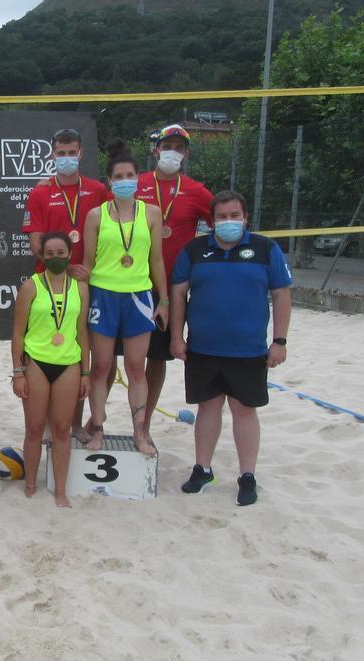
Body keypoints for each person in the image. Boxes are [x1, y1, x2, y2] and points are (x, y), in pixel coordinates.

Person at [170, 190, 291, 507]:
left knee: (243, 410)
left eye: (234, 215)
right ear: (211, 221)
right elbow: (178, 294)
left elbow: (281, 294)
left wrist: (279, 340)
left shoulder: (265, 248)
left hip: (249, 349)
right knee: (208, 408)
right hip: (203, 347)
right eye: (221, 217)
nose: (228, 222)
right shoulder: (195, 250)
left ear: (245, 217)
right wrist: (176, 336)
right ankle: (202, 469)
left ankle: (247, 475)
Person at [21, 127, 111, 441]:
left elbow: (110, 234)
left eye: (72, 153)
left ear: (81, 153)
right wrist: (66, 267)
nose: (67, 158)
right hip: (52, 280)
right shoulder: (40, 192)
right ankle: (47, 423)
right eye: (61, 153)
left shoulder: (98, 190)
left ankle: (75, 422)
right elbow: (35, 242)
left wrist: (86, 269)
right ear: (52, 154)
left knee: (81, 352)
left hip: (89, 282)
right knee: (46, 351)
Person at [82, 141, 168, 455]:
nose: (124, 180)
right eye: (118, 176)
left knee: (136, 368)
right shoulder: (95, 215)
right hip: (103, 295)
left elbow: (157, 260)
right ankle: (98, 428)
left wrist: (165, 300)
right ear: (109, 181)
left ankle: (139, 432)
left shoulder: (152, 213)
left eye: (130, 174)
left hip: (139, 297)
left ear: (138, 177)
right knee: (101, 367)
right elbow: (88, 263)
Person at [132, 123, 215, 439]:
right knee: (108, 359)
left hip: (170, 287)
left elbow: (223, 222)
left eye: (179, 148)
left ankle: (145, 424)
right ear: (155, 150)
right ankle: (95, 421)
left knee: (156, 358)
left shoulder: (195, 191)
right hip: (130, 284)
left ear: (186, 154)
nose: (172, 152)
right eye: (167, 146)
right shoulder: (135, 183)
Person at [10, 232, 91, 506]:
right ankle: (31, 484)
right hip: (36, 363)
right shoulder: (31, 287)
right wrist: (18, 371)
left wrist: (86, 372)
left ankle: (60, 490)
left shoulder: (79, 288)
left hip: (69, 363)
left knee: (61, 429)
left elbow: (82, 332)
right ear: (41, 256)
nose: (55, 258)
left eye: (61, 253)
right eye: (50, 253)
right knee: (34, 428)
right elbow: (18, 333)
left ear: (69, 254)